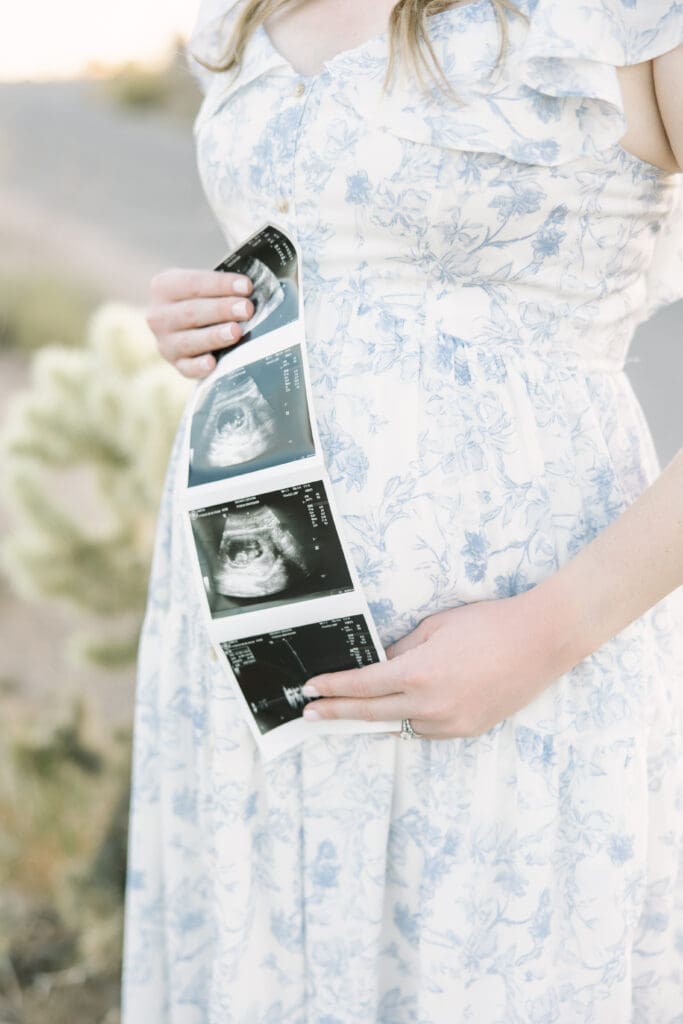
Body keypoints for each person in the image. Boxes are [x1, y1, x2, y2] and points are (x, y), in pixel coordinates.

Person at [121, 1, 683, 1020]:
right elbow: (327, 263)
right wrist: (202, 319)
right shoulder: (244, 14)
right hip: (246, 649)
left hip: (525, 649)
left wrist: (547, 631)